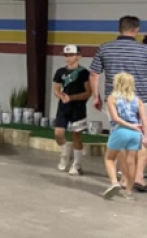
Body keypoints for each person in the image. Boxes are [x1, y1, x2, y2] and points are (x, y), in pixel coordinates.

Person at [90, 16, 147, 192]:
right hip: (142, 99)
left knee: (121, 136)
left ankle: (124, 178)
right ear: (136, 30)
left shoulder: (105, 48)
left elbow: (94, 74)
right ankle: (138, 177)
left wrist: (96, 96)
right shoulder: (144, 50)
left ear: (119, 28)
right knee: (142, 136)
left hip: (114, 100)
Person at [103, 73, 147, 200]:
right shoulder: (138, 100)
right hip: (136, 134)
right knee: (131, 163)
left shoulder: (112, 98)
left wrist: (129, 125)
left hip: (120, 131)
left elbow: (115, 119)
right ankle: (129, 192)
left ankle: (114, 182)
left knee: (109, 158)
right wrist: (145, 135)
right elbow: (144, 120)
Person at [52, 45, 91, 175]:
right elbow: (56, 89)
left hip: (78, 108)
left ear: (79, 56)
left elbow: (88, 93)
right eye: (66, 55)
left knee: (76, 135)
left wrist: (72, 98)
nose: (68, 58)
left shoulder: (84, 73)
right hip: (63, 107)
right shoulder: (60, 72)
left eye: (71, 55)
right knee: (58, 133)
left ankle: (77, 164)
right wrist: (61, 95)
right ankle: (64, 154)